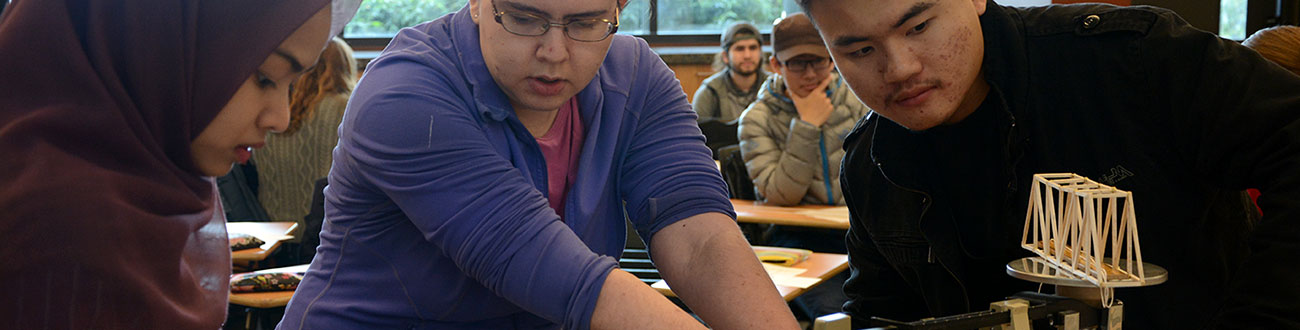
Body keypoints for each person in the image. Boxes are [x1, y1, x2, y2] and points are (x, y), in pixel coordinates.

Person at [277, 0, 801, 329]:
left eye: (585, 23)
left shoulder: (636, 77)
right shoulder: (404, 95)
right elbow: (560, 278)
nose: (554, 51)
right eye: (524, 18)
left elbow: (700, 238)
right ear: (479, 3)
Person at [794, 0, 1300, 328]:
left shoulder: (1132, 60)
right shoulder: (872, 164)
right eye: (860, 50)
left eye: (920, 26)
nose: (900, 68)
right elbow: (880, 313)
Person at [0, 0, 358, 328]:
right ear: (156, 49)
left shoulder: (159, 189)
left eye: (291, 85)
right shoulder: (59, 229)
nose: (280, 118)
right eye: (265, 78)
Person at [735, 12, 868, 319]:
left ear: (832, 59)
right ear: (776, 65)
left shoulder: (858, 98)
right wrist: (807, 125)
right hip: (796, 241)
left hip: (862, 232)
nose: (810, 74)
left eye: (819, 61)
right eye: (797, 63)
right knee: (837, 312)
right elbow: (781, 195)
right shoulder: (756, 119)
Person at [257, 36, 358, 223]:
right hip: (321, 228)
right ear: (345, 66)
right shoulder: (347, 108)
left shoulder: (277, 110)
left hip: (271, 228)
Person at [694, 22, 768, 124]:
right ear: (725, 56)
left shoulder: (774, 87)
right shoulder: (710, 92)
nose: (747, 55)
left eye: (753, 48)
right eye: (740, 49)